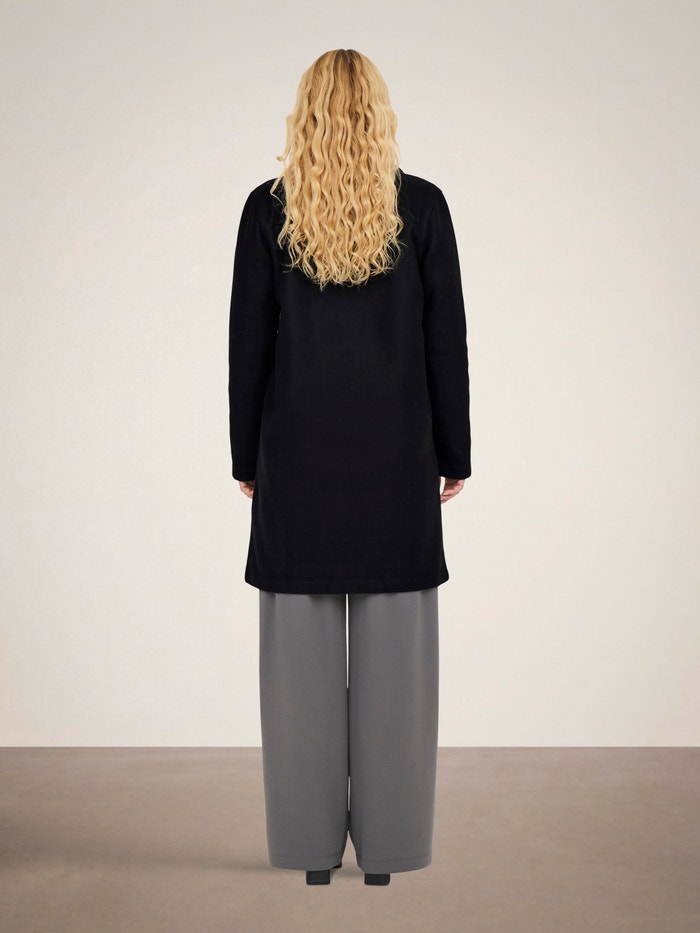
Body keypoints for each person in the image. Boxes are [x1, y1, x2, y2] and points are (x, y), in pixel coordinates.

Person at [228, 49, 471, 887]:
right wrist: (454, 453)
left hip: (297, 467)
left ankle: (308, 854)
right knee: (399, 680)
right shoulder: (423, 207)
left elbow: (247, 345)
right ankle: (390, 855)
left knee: (295, 682)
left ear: (305, 114)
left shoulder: (267, 210)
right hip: (396, 468)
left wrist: (246, 457)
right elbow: (446, 340)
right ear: (379, 112)